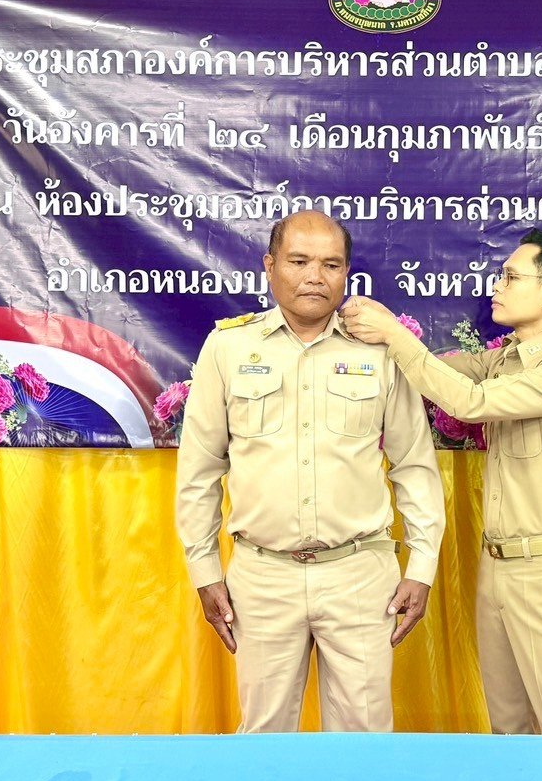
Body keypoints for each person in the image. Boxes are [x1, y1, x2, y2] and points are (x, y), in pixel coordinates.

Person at [175, 211, 444, 733]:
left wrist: (422, 566)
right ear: (270, 266)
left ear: (347, 274)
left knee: (363, 741)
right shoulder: (229, 348)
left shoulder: (379, 349)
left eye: (331, 265)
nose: (315, 277)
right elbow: (199, 472)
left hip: (360, 575)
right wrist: (204, 571)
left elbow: (414, 464)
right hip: (262, 577)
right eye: (298, 262)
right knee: (265, 739)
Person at [341, 228, 542, 735]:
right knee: (508, 730)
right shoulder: (504, 359)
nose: (496, 287)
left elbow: (468, 402)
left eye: (511, 277)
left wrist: (394, 334)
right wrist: (375, 342)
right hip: (497, 564)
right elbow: (443, 372)